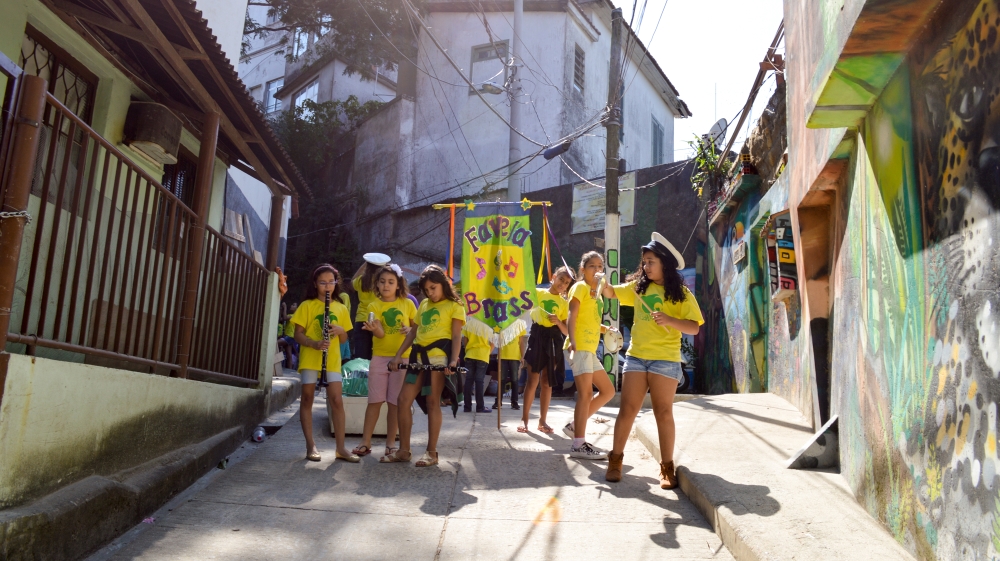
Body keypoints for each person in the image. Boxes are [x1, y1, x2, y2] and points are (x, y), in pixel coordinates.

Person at [603, 233, 703, 489]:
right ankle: (615, 461)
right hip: (636, 357)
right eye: (644, 262)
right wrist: (598, 281)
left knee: (663, 412)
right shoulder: (638, 288)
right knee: (627, 410)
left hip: (665, 360)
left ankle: (667, 468)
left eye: (651, 262)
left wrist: (670, 320)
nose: (646, 267)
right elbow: (611, 292)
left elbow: (693, 328)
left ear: (664, 264)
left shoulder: (680, 293)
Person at [382, 265, 465, 467]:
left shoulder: (455, 306)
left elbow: (456, 336)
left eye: (433, 288)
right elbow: (412, 333)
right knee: (403, 400)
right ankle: (403, 451)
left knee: (432, 402)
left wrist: (453, 361)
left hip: (438, 360)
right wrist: (398, 355)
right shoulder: (424, 304)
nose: (430, 293)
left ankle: (432, 452)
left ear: (444, 285)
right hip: (417, 359)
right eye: (427, 290)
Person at [290, 264, 360, 463]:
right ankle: (310, 445)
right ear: (315, 284)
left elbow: (345, 339)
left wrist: (339, 330)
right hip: (311, 358)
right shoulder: (307, 305)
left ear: (336, 283)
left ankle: (341, 448)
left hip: (332, 360)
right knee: (307, 399)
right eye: (323, 282)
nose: (327, 286)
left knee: (337, 401)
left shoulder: (340, 307)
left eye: (331, 282)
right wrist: (314, 343)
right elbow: (297, 334)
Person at [353, 264, 416, 458]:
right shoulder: (374, 306)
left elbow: (417, 330)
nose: (386, 285)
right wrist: (374, 329)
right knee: (374, 401)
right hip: (379, 358)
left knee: (395, 403)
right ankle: (366, 442)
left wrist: (409, 331)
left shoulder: (408, 304)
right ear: (377, 285)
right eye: (382, 282)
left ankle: (391, 444)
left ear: (398, 284)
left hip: (402, 359)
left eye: (391, 282)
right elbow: (379, 334)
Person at [563, 251, 617, 460]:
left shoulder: (597, 294)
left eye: (600, 266)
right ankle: (578, 444)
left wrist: (607, 330)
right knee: (585, 394)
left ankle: (574, 427)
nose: (597, 270)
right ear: (582, 269)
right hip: (580, 347)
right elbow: (572, 314)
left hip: (590, 349)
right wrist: (573, 341)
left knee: (608, 391)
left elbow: (590, 320)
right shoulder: (580, 287)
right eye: (592, 266)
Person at [519, 266, 574, 433]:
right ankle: (525, 419)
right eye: (561, 280)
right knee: (532, 380)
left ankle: (542, 421)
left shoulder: (565, 303)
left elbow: (567, 331)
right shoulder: (538, 293)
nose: (562, 284)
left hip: (554, 340)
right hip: (537, 337)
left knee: (547, 382)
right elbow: (522, 302)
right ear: (554, 276)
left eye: (566, 283)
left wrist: (558, 322)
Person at [351, 261, 381, 360]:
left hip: (361, 320)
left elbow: (352, 281)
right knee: (376, 356)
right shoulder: (381, 282)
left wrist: (365, 263)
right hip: (377, 321)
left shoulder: (360, 280)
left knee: (361, 357)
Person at [462, 318, 493, 413]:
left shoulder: (469, 323)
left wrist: (468, 350)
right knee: (479, 381)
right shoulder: (488, 325)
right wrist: (487, 353)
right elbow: (493, 343)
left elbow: (464, 340)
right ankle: (480, 407)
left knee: (468, 381)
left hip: (470, 354)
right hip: (482, 355)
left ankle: (467, 407)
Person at [494, 335, 525, 411]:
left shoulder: (518, 324)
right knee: (501, 380)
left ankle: (514, 402)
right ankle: (498, 401)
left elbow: (521, 342)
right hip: (502, 356)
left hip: (515, 356)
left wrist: (522, 356)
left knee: (514, 380)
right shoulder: (501, 323)